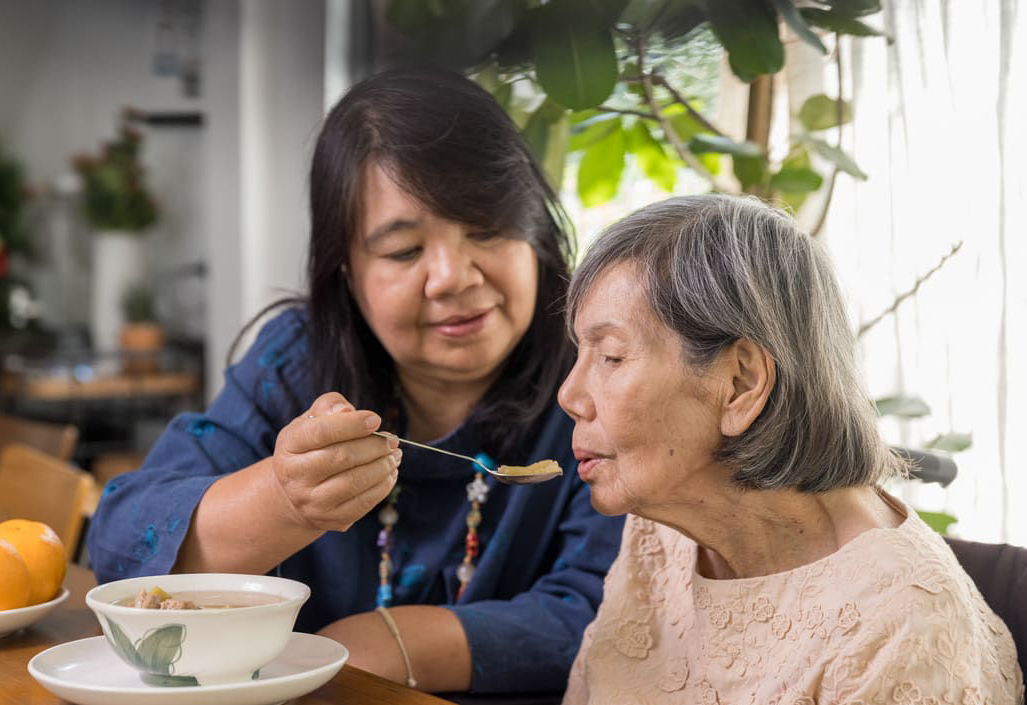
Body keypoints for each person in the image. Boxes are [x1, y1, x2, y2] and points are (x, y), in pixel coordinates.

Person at [87, 66, 625, 695]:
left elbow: (611, 611)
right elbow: (122, 546)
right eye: (404, 251)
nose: (452, 276)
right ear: (346, 271)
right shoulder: (296, 362)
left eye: (486, 229)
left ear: (534, 231)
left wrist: (387, 644)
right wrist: (284, 500)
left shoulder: (600, 377)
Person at [557, 194, 1022, 704]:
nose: (569, 396)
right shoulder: (662, 530)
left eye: (611, 356)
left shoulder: (900, 631)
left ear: (740, 384)